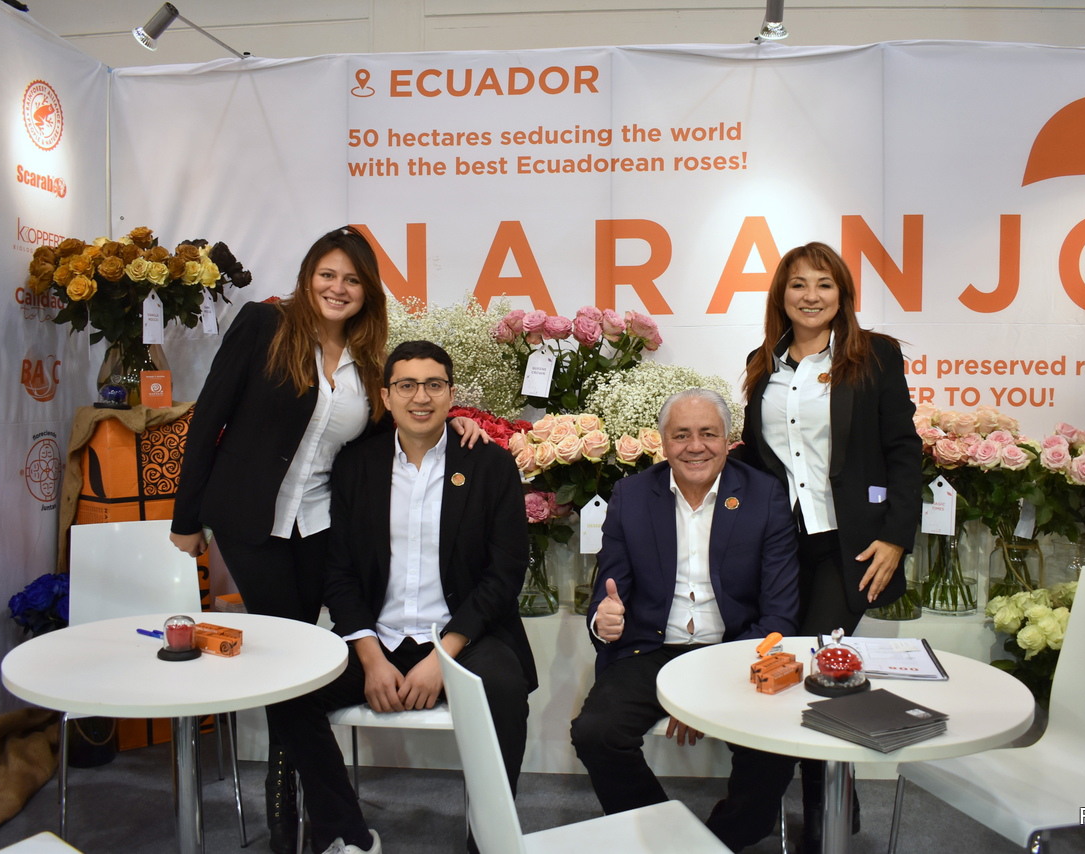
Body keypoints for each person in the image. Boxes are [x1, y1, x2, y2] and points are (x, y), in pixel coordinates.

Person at [169, 227, 484, 853]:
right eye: (328, 275)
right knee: (291, 670)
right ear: (308, 276)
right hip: (251, 523)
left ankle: (299, 823)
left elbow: (386, 430)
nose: (338, 288)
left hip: (319, 525)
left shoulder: (368, 360)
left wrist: (456, 424)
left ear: (368, 292)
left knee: (299, 676)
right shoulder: (264, 326)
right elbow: (209, 418)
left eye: (352, 280)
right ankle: (339, 828)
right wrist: (186, 518)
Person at [266, 340, 536, 854]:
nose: (421, 397)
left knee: (504, 688)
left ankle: (489, 841)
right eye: (407, 385)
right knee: (291, 695)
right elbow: (339, 574)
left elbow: (504, 574)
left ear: (451, 394)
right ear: (386, 396)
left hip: (463, 636)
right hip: (378, 634)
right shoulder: (357, 465)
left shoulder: (489, 465)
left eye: (434, 384)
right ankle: (345, 833)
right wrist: (370, 658)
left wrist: (442, 657)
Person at [740, 241, 922, 853]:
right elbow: (759, 456)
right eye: (798, 284)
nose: (810, 296)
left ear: (842, 294)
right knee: (783, 670)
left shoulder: (874, 356)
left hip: (851, 547)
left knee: (817, 673)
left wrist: (896, 536)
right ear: (781, 295)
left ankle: (799, 819)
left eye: (824, 284)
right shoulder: (763, 362)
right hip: (781, 546)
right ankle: (817, 815)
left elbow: (903, 449)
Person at [570, 388, 800, 853]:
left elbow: (779, 613)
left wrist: (700, 689)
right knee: (596, 733)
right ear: (663, 442)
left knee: (774, 743)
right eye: (681, 435)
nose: (696, 446)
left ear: (728, 439)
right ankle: (666, 838)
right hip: (649, 649)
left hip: (735, 651)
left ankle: (723, 839)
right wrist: (603, 620)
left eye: (708, 433)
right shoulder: (632, 495)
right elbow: (608, 594)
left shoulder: (764, 495)